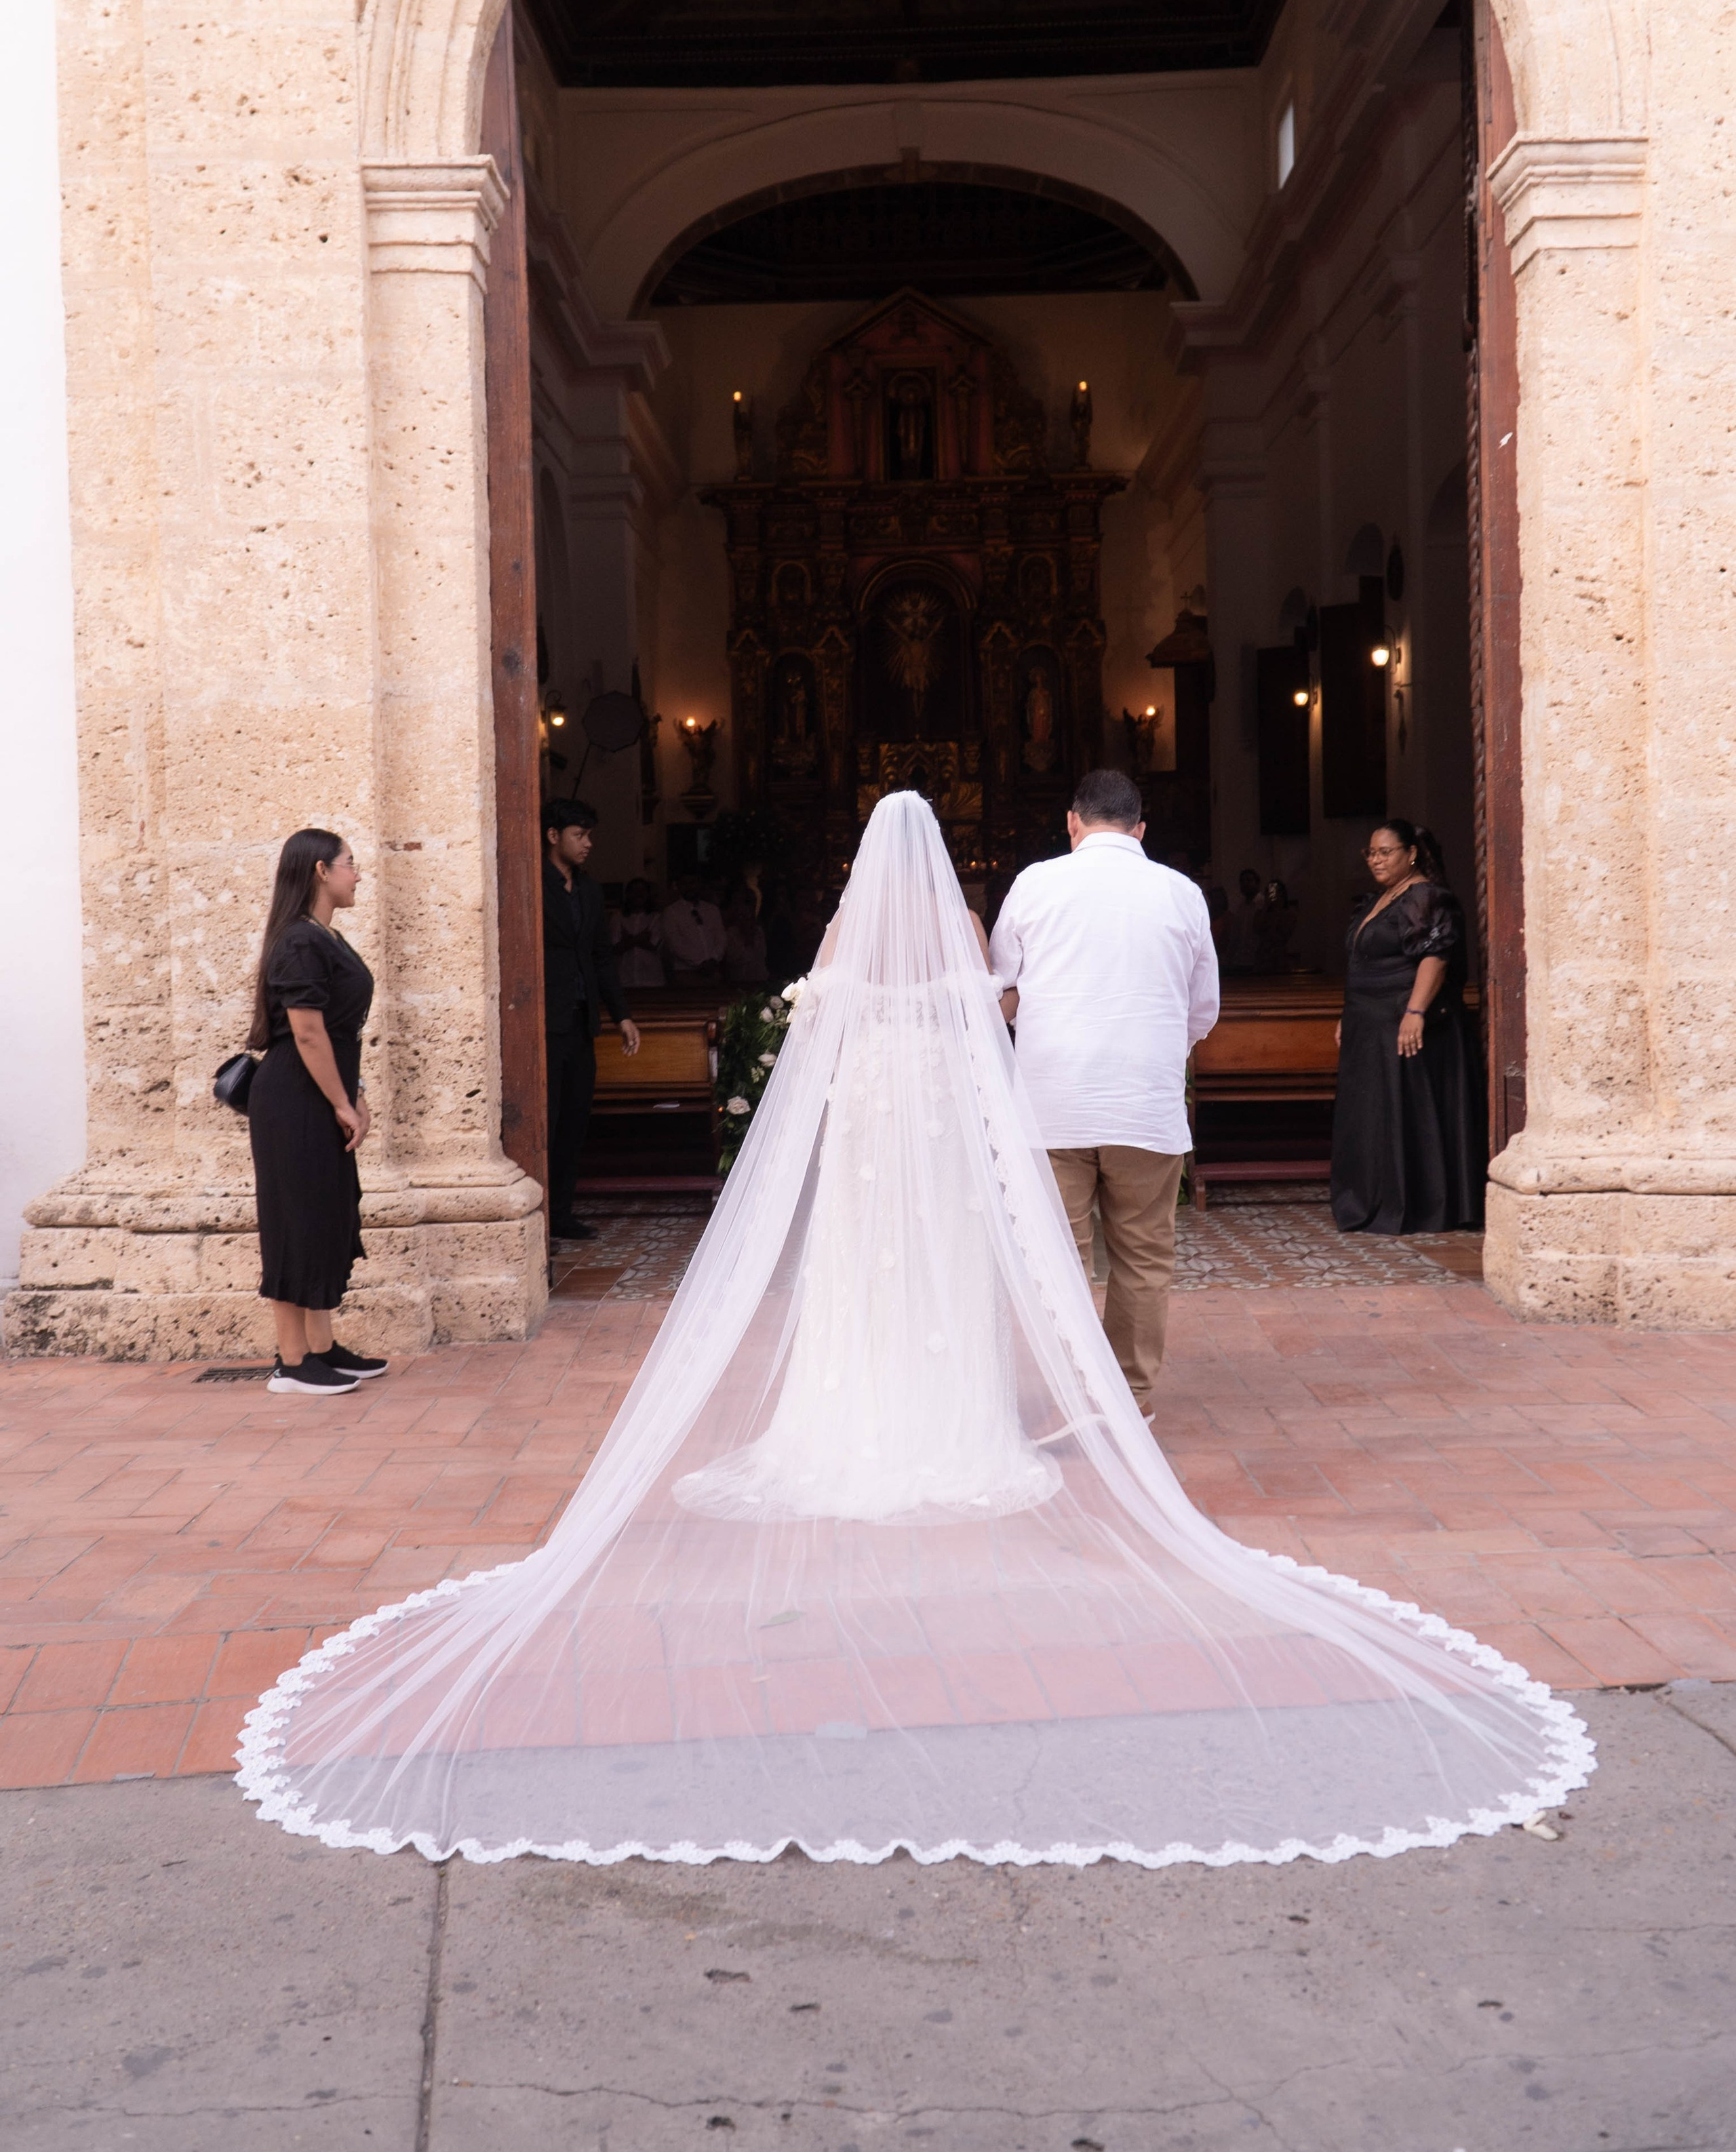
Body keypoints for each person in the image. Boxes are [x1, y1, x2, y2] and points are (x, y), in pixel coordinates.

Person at [241, 791, 1589, 1872]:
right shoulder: (990, 925)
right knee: (1078, 1262)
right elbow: (1002, 1010)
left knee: (866, 1280)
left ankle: (863, 1418)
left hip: (869, 1140)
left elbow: (813, 1021)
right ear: (940, 864)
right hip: (953, 1136)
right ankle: (1077, 1400)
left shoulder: (863, 941)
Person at [989, 768, 1218, 1407]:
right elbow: (1203, 1007)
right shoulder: (1182, 893)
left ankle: (1069, 1394)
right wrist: (1153, 1053)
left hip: (1051, 1103)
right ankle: (1130, 1401)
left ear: (1072, 822)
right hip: (1145, 1106)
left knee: (1056, 1260)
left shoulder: (1036, 884)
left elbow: (1001, 988)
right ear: (1140, 828)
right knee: (1144, 1258)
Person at [245, 828, 390, 1397]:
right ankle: (291, 1361)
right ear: (321, 872)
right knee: (294, 1223)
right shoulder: (301, 942)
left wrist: (355, 1093)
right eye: (351, 864)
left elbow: (335, 1032)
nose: (359, 874)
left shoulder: (323, 936)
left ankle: (323, 1348)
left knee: (326, 1216)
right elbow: (305, 1034)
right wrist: (339, 1102)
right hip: (295, 1099)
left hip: (320, 1094)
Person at [1330, 818, 1486, 1233]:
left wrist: (1415, 1013)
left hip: (1404, 1024)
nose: (1376, 860)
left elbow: (1435, 956)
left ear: (1411, 853)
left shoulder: (1427, 897)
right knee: (1375, 1115)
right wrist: (1350, 1013)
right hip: (1370, 1024)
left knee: (1406, 1113)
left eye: (1386, 852)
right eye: (1371, 853)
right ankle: (1374, 1199)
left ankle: (1415, 1205)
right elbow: (1363, 962)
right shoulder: (1381, 899)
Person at [543, 800, 640, 1246]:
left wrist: (621, 1015)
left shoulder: (590, 891)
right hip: (545, 1023)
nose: (588, 844)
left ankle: (562, 1213)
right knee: (546, 1119)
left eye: (588, 835)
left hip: (582, 1022)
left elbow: (601, 956)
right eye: (579, 835)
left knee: (575, 1122)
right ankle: (538, 1215)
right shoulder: (534, 885)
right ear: (553, 835)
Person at [660, 869, 728, 978]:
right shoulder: (671, 912)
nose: (690, 887)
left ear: (699, 884)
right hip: (686, 972)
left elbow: (721, 937)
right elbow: (675, 943)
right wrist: (700, 962)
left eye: (693, 883)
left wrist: (714, 959)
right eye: (685, 884)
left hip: (713, 970)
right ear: (679, 886)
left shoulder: (712, 910)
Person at [610, 877, 665, 991]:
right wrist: (641, 938)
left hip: (652, 980)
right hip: (625, 979)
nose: (639, 894)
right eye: (635, 891)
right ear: (628, 894)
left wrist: (628, 940)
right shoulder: (618, 918)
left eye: (642, 891)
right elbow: (615, 948)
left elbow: (654, 945)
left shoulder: (656, 917)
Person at [722, 884, 769, 986]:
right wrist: (746, 939)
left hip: (759, 979)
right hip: (737, 981)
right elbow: (733, 959)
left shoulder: (758, 931)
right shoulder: (730, 933)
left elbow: (763, 955)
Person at [1223, 866, 1264, 970]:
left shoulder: (1263, 905)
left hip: (1258, 958)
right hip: (1241, 959)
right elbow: (1236, 935)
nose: (1246, 884)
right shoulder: (1241, 907)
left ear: (1257, 883)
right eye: (1243, 881)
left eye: (1249, 880)